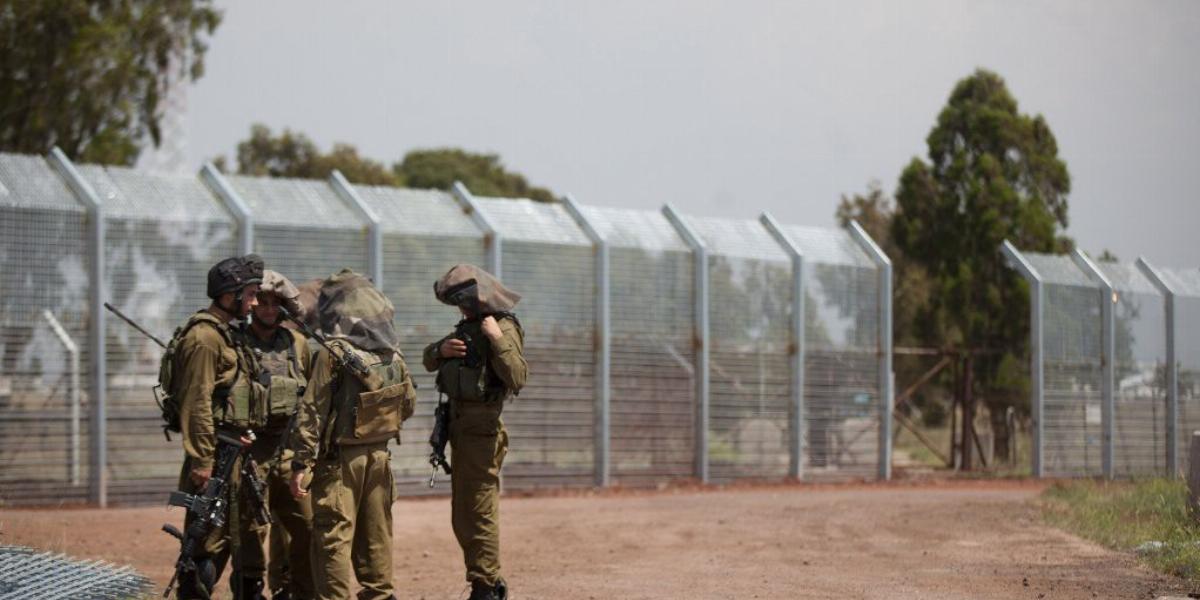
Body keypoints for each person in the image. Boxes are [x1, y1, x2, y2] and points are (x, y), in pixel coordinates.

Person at [288, 269, 417, 600]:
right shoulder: (392, 353)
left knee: (332, 537)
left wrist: (300, 462)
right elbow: (409, 404)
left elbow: (312, 412)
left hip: (340, 462)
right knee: (377, 536)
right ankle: (381, 594)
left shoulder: (331, 353)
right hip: (380, 459)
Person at [423, 264, 527, 600]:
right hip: (459, 427)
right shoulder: (466, 327)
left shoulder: (502, 327)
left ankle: (486, 586)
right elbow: (428, 359)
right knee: (464, 512)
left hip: (481, 430)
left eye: (463, 301)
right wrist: (441, 350)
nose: (460, 309)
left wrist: (496, 338)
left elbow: (517, 377)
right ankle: (484, 579)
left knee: (479, 511)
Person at [173, 254, 265, 599]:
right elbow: (196, 402)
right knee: (204, 543)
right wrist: (201, 460)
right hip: (215, 457)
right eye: (251, 294)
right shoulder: (204, 338)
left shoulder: (227, 334)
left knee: (235, 537)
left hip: (235, 454)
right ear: (230, 295)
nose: (255, 303)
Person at [241, 270, 314, 600]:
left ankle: (298, 591)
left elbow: (311, 398)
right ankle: (252, 590)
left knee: (306, 526)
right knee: (251, 530)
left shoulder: (297, 344)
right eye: (263, 302)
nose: (269, 309)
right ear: (252, 304)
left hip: (288, 450)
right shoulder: (236, 343)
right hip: (249, 451)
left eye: (276, 303)